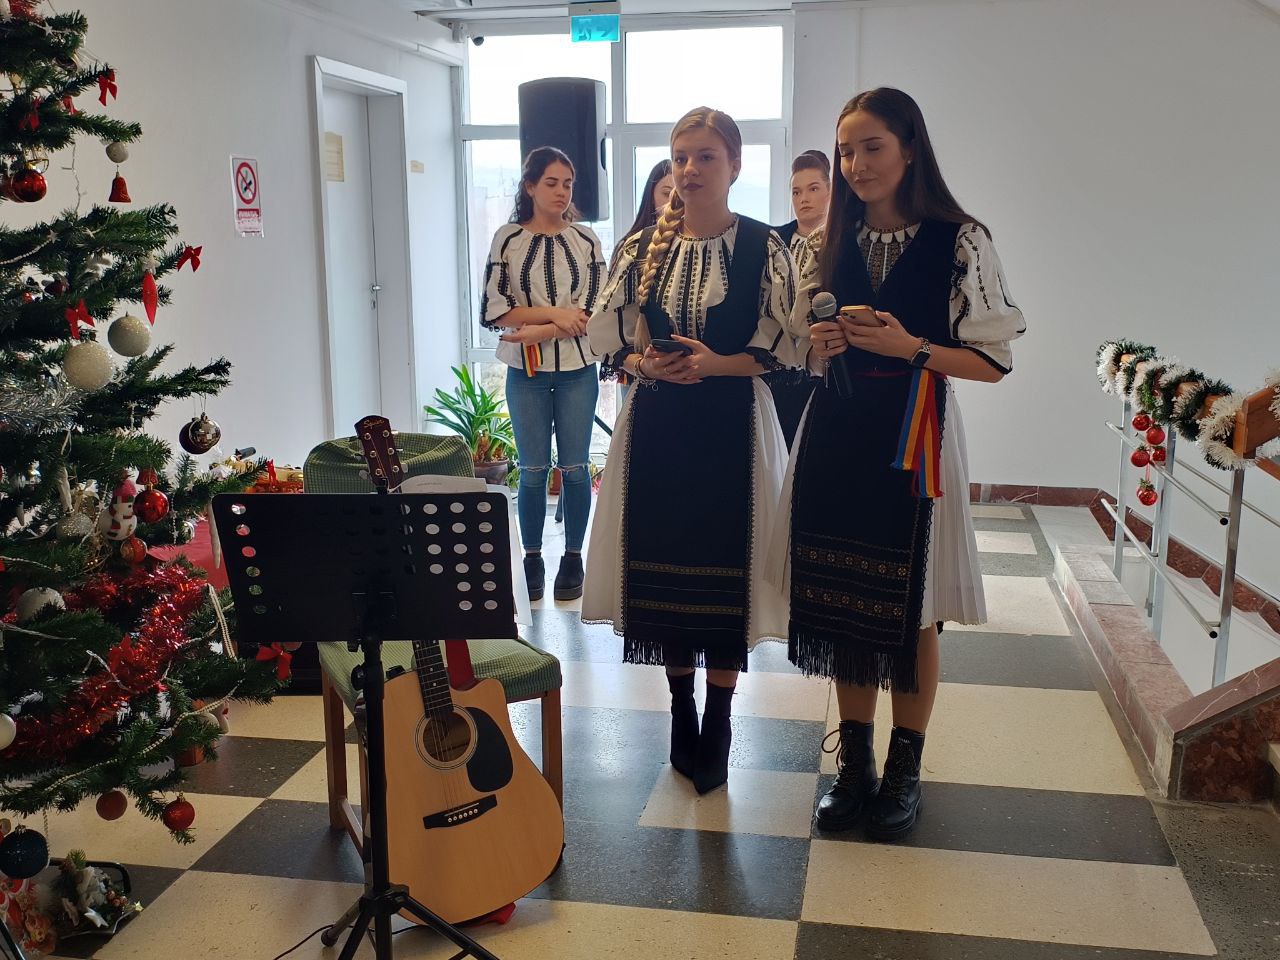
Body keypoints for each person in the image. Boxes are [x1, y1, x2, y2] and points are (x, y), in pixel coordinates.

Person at [770, 88, 1024, 840]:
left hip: (917, 437)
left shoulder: (960, 238)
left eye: (871, 146)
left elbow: (990, 362)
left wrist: (907, 346)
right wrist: (818, 345)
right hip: (839, 431)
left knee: (913, 613)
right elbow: (791, 345)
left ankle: (905, 771)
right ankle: (854, 767)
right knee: (848, 604)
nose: (855, 165)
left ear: (910, 148)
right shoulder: (824, 241)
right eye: (846, 150)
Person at [584, 107, 796, 795]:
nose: (691, 169)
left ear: (735, 165)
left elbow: (784, 346)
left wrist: (716, 363)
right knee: (667, 564)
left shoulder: (764, 246)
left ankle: (722, 715)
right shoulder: (641, 247)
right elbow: (609, 338)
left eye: (706, 156)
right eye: (681, 156)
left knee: (725, 571)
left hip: (733, 425)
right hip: (660, 427)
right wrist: (647, 366)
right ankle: (680, 708)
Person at [480, 146, 607, 602]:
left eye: (567, 184)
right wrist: (556, 317)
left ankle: (573, 557)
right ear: (530, 186)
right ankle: (531, 557)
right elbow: (494, 310)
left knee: (575, 469)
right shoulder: (508, 239)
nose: (560, 191)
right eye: (551, 182)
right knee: (532, 470)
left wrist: (539, 330)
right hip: (525, 374)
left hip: (577, 370)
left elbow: (596, 310)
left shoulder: (587, 241)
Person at [767, 150, 833, 447]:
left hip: (821, 362)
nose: (803, 198)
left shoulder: (840, 243)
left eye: (813, 189)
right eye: (796, 191)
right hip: (776, 365)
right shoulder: (772, 241)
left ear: (829, 192)